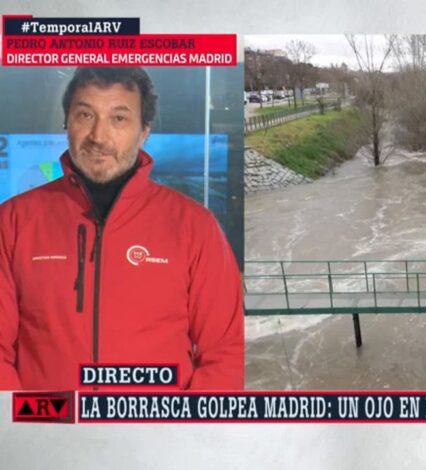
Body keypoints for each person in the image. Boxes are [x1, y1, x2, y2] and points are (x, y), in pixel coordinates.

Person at [0, 67, 244, 390]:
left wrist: (179, 431)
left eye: (119, 119)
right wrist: (30, 426)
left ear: (143, 132)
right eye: (85, 115)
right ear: (66, 123)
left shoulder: (195, 227)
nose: (98, 137)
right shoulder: (13, 221)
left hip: (156, 436)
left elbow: (226, 353)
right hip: (47, 431)